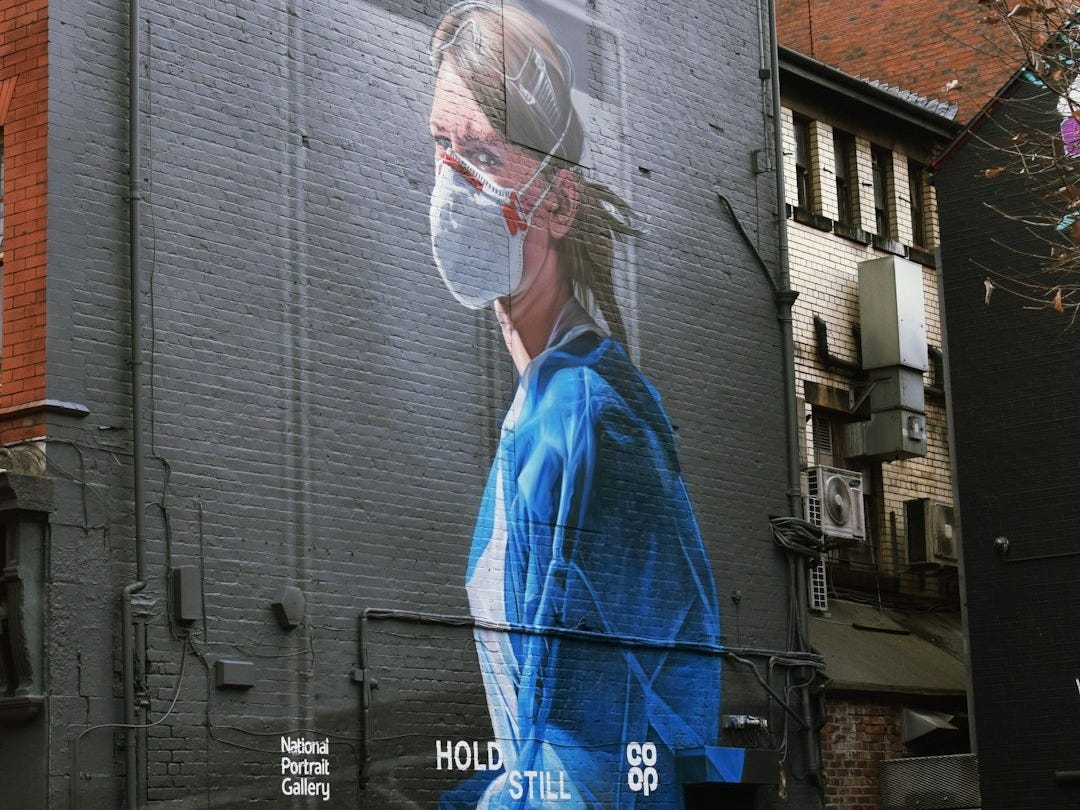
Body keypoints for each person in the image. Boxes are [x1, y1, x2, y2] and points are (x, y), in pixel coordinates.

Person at [427, 3, 722, 807]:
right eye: (442, 145)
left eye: (484, 151)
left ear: (559, 203)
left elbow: (601, 744)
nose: (452, 181)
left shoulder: (586, 421)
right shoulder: (545, 402)